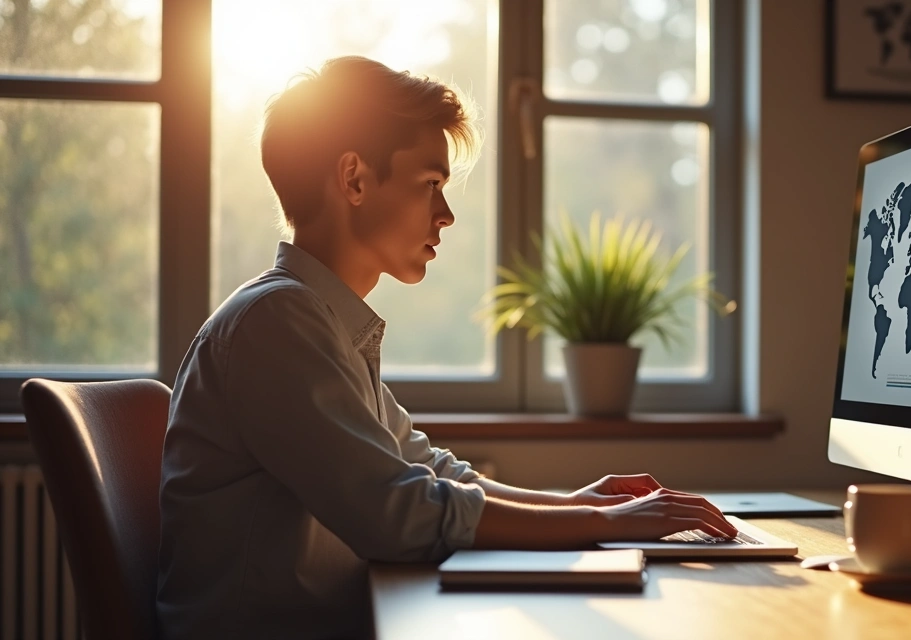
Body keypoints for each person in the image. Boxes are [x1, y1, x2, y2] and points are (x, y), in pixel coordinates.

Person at [156, 56, 737, 640]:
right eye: (431, 184)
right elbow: (395, 512)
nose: (447, 214)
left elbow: (427, 470)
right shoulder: (276, 323)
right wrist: (602, 522)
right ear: (354, 179)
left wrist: (575, 506)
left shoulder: (317, 321)